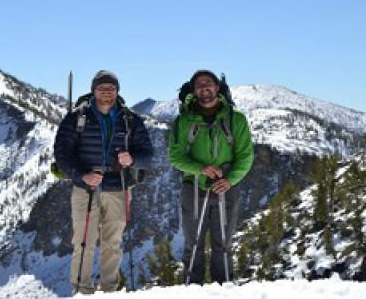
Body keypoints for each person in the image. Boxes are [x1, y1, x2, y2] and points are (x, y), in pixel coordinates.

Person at [54, 70, 153, 294]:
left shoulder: (130, 120)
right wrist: (82, 175)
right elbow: (62, 153)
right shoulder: (77, 117)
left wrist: (133, 159)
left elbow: (148, 154)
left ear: (117, 91)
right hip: (86, 187)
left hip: (118, 185)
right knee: (83, 242)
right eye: (102, 88)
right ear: (93, 90)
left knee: (112, 243)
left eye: (111, 88)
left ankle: (110, 291)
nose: (107, 92)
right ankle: (82, 291)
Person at [169, 70, 254, 284]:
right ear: (193, 90)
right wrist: (200, 169)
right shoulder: (183, 122)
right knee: (193, 242)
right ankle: (192, 290)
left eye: (208, 83)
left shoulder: (236, 120)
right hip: (194, 185)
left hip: (226, 186)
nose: (204, 87)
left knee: (223, 243)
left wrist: (230, 180)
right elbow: (175, 157)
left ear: (217, 88)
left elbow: (245, 155)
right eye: (199, 85)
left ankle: (222, 288)